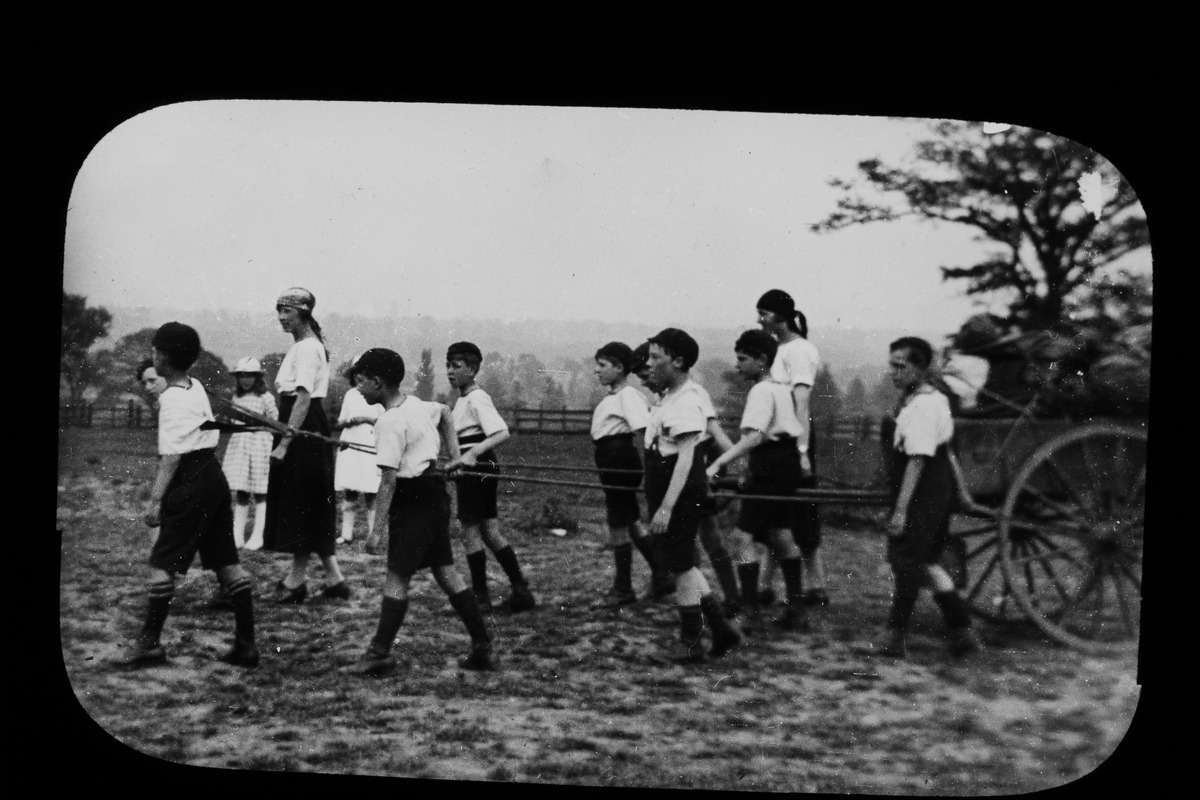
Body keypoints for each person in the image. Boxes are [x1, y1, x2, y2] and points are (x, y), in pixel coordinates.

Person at [118, 322, 258, 668]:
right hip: (213, 477)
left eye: (154, 350)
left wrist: (154, 501)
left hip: (190, 482)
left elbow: (171, 458)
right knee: (228, 564)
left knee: (162, 564)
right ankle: (246, 645)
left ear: (162, 356)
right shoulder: (195, 386)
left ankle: (149, 643)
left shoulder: (171, 400)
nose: (152, 355)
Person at [350, 348, 495, 675]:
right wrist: (455, 456)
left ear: (378, 382)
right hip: (434, 496)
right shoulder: (416, 404)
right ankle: (483, 646)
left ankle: (380, 652)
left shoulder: (388, 421)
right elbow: (444, 412)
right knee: (446, 571)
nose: (358, 389)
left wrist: (376, 531)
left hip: (412, 499)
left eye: (362, 383)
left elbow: (388, 481)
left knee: (397, 576)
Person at [878, 337, 982, 659]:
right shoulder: (923, 398)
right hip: (935, 488)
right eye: (891, 364)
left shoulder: (924, 405)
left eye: (901, 366)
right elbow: (946, 451)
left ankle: (894, 637)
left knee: (908, 561)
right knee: (926, 562)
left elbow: (918, 459)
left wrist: (900, 512)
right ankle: (963, 633)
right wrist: (960, 490)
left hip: (923, 491)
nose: (894, 372)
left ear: (921, 369)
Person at [643, 328, 741, 664]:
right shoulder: (671, 395)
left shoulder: (686, 399)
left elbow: (687, 457)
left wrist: (667, 508)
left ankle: (691, 642)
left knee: (681, 568)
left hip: (680, 491)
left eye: (656, 357)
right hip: (668, 487)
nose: (649, 363)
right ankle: (721, 628)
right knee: (682, 562)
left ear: (679, 361)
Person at [705, 330, 811, 632]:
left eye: (742, 359)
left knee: (742, 537)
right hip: (786, 462)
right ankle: (797, 610)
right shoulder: (782, 387)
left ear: (762, 360)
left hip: (770, 466)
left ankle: (749, 611)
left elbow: (755, 435)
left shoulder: (762, 391)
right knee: (780, 534)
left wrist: (718, 462)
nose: (737, 366)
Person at [263, 287, 351, 603]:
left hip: (302, 427)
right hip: (297, 423)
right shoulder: (302, 347)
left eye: (286, 311)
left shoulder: (308, 349)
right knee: (310, 504)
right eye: (279, 311)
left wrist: (286, 443)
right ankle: (335, 581)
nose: (281, 318)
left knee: (302, 503)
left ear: (302, 312)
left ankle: (296, 581)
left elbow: (302, 398)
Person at [443, 341, 536, 613]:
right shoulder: (460, 400)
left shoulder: (477, 397)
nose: (450, 371)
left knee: (469, 531)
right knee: (488, 531)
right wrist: (459, 460)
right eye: (448, 365)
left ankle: (481, 597)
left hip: (480, 467)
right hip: (472, 468)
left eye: (456, 366)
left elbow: (501, 432)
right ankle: (521, 591)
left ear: (472, 369)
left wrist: (472, 455)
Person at [756, 289, 829, 610]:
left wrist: (800, 450)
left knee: (800, 513)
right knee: (775, 515)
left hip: (793, 438)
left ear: (781, 317)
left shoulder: (799, 350)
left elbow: (801, 403)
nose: (759, 320)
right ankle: (764, 585)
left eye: (764, 314)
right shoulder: (776, 349)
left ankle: (817, 585)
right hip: (774, 439)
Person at [590, 341, 667, 605]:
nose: (596, 371)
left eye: (602, 365)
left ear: (620, 368)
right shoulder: (613, 396)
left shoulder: (628, 395)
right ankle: (662, 574)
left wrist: (655, 464)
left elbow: (644, 430)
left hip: (620, 459)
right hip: (610, 458)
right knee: (631, 521)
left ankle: (623, 588)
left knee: (618, 522)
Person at [222, 357, 277, 550]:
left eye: (249, 376)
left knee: (261, 491)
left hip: (259, 444)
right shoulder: (236, 398)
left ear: (257, 378)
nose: (245, 381)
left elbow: (274, 421)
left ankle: (258, 536)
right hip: (240, 445)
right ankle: (237, 537)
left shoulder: (266, 397)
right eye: (242, 376)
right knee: (242, 490)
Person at [333, 356, 384, 545]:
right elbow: (341, 420)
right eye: (355, 374)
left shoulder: (378, 395)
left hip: (370, 443)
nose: (357, 378)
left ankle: (373, 534)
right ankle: (347, 534)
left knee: (371, 491)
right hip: (351, 442)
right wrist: (348, 422)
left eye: (362, 375)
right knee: (351, 489)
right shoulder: (350, 394)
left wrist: (365, 419)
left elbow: (385, 421)